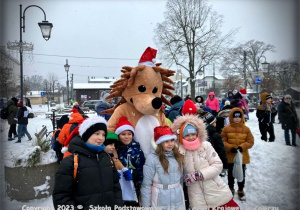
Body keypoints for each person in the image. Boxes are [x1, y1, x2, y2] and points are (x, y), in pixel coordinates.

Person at [171, 104, 238, 209]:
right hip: (196, 197)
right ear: (181, 136)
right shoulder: (179, 150)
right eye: (187, 135)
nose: (191, 137)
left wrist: (199, 175)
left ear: (197, 133)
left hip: (215, 191)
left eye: (193, 134)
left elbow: (217, 165)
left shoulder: (205, 145)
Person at [53, 116, 123, 209]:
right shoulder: (71, 162)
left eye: (103, 134)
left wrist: (117, 205)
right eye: (96, 133)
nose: (101, 138)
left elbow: (116, 187)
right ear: (86, 135)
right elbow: (61, 196)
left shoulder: (107, 158)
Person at [141, 126, 185, 209]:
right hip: (160, 197)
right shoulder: (152, 158)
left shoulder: (177, 156)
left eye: (172, 140)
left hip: (177, 197)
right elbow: (146, 185)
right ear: (160, 143)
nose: (170, 144)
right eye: (166, 141)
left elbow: (181, 180)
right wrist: (146, 206)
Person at [221, 108, 254, 201]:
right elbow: (223, 141)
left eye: (239, 117)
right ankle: (230, 188)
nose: (237, 119)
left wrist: (242, 147)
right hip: (230, 156)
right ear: (231, 117)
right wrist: (230, 147)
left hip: (242, 156)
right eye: (235, 117)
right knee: (230, 174)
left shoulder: (246, 129)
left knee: (241, 174)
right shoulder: (226, 128)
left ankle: (240, 189)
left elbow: (250, 141)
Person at [115, 116, 145, 206]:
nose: (126, 137)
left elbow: (141, 169)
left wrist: (134, 175)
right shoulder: (115, 149)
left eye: (129, 134)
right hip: (119, 186)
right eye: (123, 134)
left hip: (133, 187)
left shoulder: (137, 150)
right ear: (118, 136)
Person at [198, 111, 228, 177]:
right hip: (214, 164)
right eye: (214, 122)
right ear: (211, 123)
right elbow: (221, 151)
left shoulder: (198, 135)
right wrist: (225, 165)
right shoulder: (216, 135)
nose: (216, 123)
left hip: (202, 166)